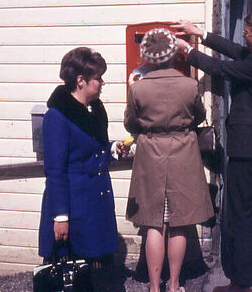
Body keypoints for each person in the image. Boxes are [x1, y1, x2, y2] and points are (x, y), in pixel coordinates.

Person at [172, 12, 252, 292]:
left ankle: (243, 283)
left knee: (240, 215)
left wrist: (187, 51)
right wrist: (200, 33)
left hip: (247, 149)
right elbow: (235, 51)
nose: (243, 37)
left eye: (246, 32)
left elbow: (222, 69)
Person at [124, 28, 214, 292]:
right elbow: (198, 116)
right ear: (173, 54)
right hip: (183, 154)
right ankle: (174, 285)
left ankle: (154, 287)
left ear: (148, 57)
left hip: (150, 156)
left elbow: (131, 124)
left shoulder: (138, 89)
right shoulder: (189, 85)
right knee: (180, 223)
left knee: (153, 222)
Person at [38, 47, 129, 272]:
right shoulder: (57, 117)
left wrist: (112, 149)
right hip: (74, 205)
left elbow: (92, 150)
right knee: (73, 274)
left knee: (95, 273)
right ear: (81, 81)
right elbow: (55, 171)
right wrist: (60, 217)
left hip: (95, 202)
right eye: (98, 78)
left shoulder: (94, 110)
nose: (102, 83)